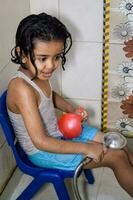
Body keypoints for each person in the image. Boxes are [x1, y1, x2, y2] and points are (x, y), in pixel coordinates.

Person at [6, 13, 133, 197]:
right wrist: (86, 147)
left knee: (118, 143)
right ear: (21, 54)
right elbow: (41, 141)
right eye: (43, 58)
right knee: (117, 157)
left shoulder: (36, 74)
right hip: (43, 151)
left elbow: (49, 95)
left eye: (57, 57)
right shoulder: (21, 88)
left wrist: (70, 109)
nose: (51, 65)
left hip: (57, 134)